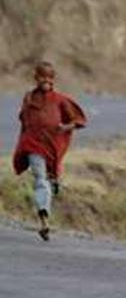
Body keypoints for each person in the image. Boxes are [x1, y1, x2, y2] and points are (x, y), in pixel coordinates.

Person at [12, 61, 87, 241]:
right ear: (35, 78)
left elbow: (78, 120)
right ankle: (44, 215)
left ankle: (51, 186)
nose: (45, 80)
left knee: (50, 180)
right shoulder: (28, 98)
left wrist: (64, 127)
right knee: (40, 178)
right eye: (41, 76)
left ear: (53, 80)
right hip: (33, 146)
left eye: (48, 77)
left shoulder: (60, 100)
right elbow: (24, 119)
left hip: (52, 147)